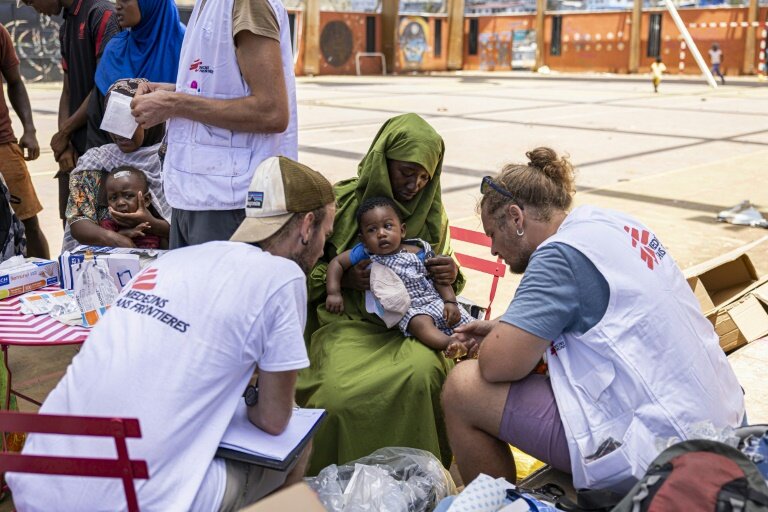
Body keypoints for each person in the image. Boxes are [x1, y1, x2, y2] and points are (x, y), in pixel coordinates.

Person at [7, 156, 337, 511]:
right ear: (307, 226)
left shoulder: (172, 262)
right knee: (297, 441)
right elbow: (272, 420)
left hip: (36, 485)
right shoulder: (283, 277)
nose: (323, 249)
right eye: (326, 235)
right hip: (135, 501)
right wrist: (254, 393)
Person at [442, 147, 745, 492]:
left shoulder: (557, 257)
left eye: (492, 235)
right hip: (723, 419)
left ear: (516, 217)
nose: (493, 250)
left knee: (463, 387)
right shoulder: (609, 223)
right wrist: (504, 328)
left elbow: (497, 366)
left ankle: (496, 504)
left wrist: (496, 344)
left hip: (666, 452)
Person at [297, 113, 464, 475]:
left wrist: (451, 273)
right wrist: (343, 281)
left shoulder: (432, 215)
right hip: (349, 325)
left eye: (425, 177)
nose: (415, 185)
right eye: (406, 172)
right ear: (382, 161)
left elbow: (448, 277)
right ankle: (332, 487)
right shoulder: (340, 203)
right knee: (336, 396)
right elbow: (296, 272)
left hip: (414, 327)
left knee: (424, 374)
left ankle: (417, 483)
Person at [130, 0, 298, 249]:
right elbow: (226, 88)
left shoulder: (246, 4)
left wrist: (175, 103)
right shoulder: (207, 4)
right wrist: (174, 94)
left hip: (230, 201)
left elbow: (271, 112)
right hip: (196, 193)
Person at [326, 196, 471, 358]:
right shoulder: (365, 252)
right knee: (421, 324)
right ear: (363, 240)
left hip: (434, 300)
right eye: (372, 230)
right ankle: (450, 344)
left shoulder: (418, 251)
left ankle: (474, 346)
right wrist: (334, 292)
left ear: (402, 230)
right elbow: (337, 263)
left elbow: (439, 279)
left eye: (388, 226)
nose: (381, 234)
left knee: (465, 322)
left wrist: (450, 302)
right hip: (409, 310)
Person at [18, 0, 120, 225]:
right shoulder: (66, 25)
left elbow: (104, 85)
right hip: (75, 152)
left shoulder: (101, 14)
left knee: (97, 227)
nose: (35, 9)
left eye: (32, 1)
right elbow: (67, 89)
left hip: (101, 149)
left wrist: (65, 133)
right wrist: (65, 143)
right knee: (73, 225)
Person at [63, 79, 170, 252]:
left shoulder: (171, 159)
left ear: (150, 119)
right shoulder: (96, 160)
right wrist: (115, 239)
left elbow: (188, 229)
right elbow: (78, 220)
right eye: (114, 122)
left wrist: (151, 224)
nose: (120, 134)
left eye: (129, 122)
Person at [87, 0, 185, 149]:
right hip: (115, 157)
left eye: (125, 0)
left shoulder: (187, 48)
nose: (117, 6)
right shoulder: (115, 49)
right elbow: (97, 119)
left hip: (173, 156)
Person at [0, 23, 49, 259]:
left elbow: (16, 82)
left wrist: (29, 129)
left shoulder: (0, 33)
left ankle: (48, 277)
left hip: (3, 145)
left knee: (28, 221)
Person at [99, 167, 169, 249]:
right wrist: (124, 234)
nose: (120, 203)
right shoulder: (109, 225)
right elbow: (105, 247)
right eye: (113, 198)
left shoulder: (152, 224)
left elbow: (165, 251)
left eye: (128, 196)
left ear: (146, 200)